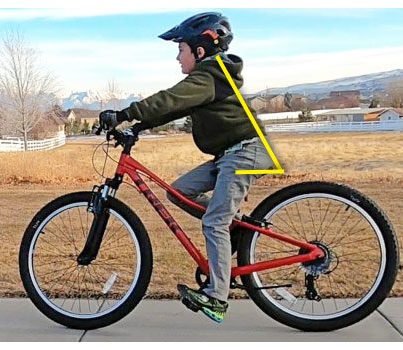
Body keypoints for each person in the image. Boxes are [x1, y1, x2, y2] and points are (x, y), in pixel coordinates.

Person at [98, 12, 275, 323]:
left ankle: (217, 298)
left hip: (246, 152)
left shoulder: (209, 75)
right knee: (179, 192)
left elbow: (171, 98)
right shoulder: (208, 77)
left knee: (214, 222)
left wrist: (125, 113)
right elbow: (174, 107)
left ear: (200, 51)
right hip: (229, 154)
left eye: (180, 50)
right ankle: (236, 226)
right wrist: (139, 126)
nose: (177, 58)